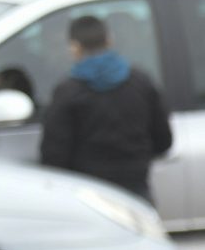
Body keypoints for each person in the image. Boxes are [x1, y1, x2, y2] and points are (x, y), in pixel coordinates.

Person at [37, 13, 173, 201]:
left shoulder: (67, 92)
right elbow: (164, 140)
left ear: (74, 48)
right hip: (137, 192)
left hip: (88, 196)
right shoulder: (141, 81)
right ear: (109, 40)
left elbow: (53, 157)